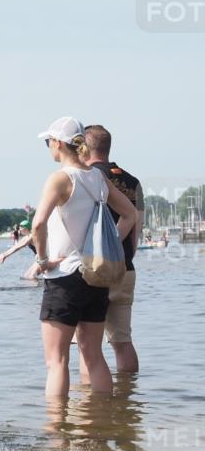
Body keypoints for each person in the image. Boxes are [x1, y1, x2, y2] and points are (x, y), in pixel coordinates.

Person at [31, 116, 136, 398]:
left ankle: (56, 433)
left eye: (48, 142)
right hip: (94, 276)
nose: (48, 147)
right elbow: (130, 214)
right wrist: (108, 243)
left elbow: (38, 224)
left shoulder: (60, 179)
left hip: (64, 277)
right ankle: (105, 421)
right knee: (94, 356)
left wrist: (42, 262)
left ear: (58, 144)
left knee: (56, 361)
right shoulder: (98, 178)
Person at [79, 124, 143, 374]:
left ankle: (91, 404)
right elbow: (136, 228)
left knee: (87, 345)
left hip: (92, 269)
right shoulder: (132, 181)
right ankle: (128, 398)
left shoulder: (85, 176)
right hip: (125, 267)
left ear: (83, 147)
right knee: (123, 341)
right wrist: (124, 256)